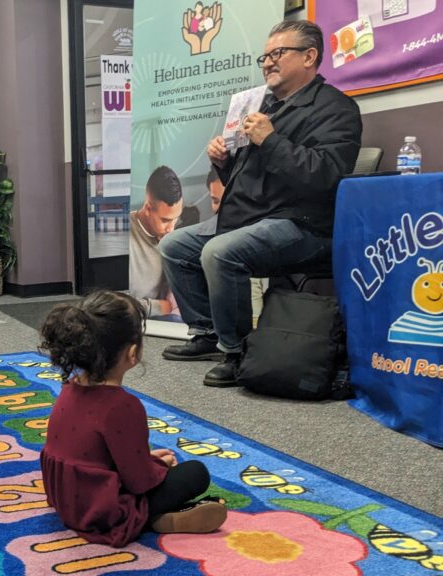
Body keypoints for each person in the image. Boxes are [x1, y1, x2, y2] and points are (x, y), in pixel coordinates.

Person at [159, 20, 361, 387]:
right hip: (251, 216)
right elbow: (248, 175)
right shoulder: (263, 106)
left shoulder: (336, 109)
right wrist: (222, 161)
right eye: (264, 56)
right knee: (174, 245)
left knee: (220, 252)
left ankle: (237, 352)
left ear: (309, 56)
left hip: (304, 224)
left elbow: (326, 176)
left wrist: (270, 140)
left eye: (277, 53)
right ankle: (205, 333)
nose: (268, 62)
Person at [39, 290, 227, 547]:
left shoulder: (69, 387)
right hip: (103, 510)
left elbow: (94, 454)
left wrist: (148, 460)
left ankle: (155, 517)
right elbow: (139, 482)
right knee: (196, 473)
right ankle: (149, 518)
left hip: (66, 499)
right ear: (133, 353)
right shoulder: (123, 406)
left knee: (162, 464)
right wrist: (155, 468)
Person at [129, 166, 183, 318]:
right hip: (132, 321)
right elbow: (113, 303)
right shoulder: (125, 235)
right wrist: (156, 307)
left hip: (167, 318)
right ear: (147, 208)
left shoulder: (176, 237)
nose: (171, 228)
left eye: (176, 218)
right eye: (165, 220)